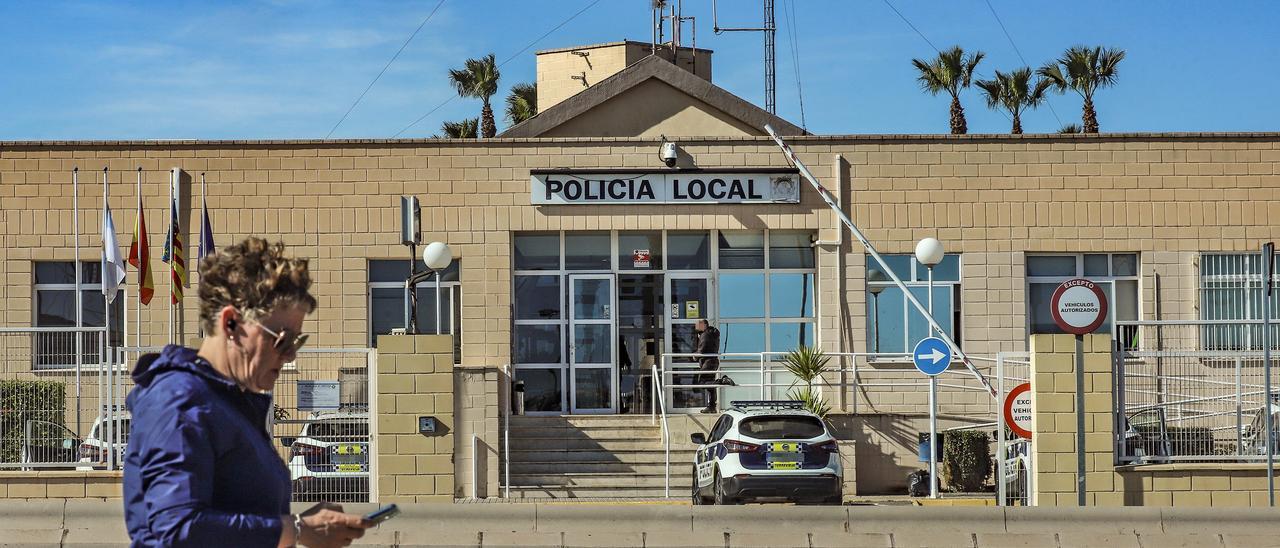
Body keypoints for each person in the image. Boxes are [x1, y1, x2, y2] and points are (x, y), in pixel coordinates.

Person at [123, 237, 371, 548]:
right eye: (282, 339)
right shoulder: (179, 401)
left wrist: (300, 526)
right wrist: (297, 529)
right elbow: (177, 528)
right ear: (231, 323)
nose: (291, 354)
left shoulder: (230, 403)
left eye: (297, 341)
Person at [694, 319, 735, 413]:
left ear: (704, 325)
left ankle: (723, 381)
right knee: (710, 384)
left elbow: (702, 350)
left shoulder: (705, 334)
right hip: (713, 361)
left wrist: (694, 356)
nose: (696, 327)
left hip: (708, 362)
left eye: (698, 325)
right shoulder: (712, 334)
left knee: (702, 382)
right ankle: (711, 406)